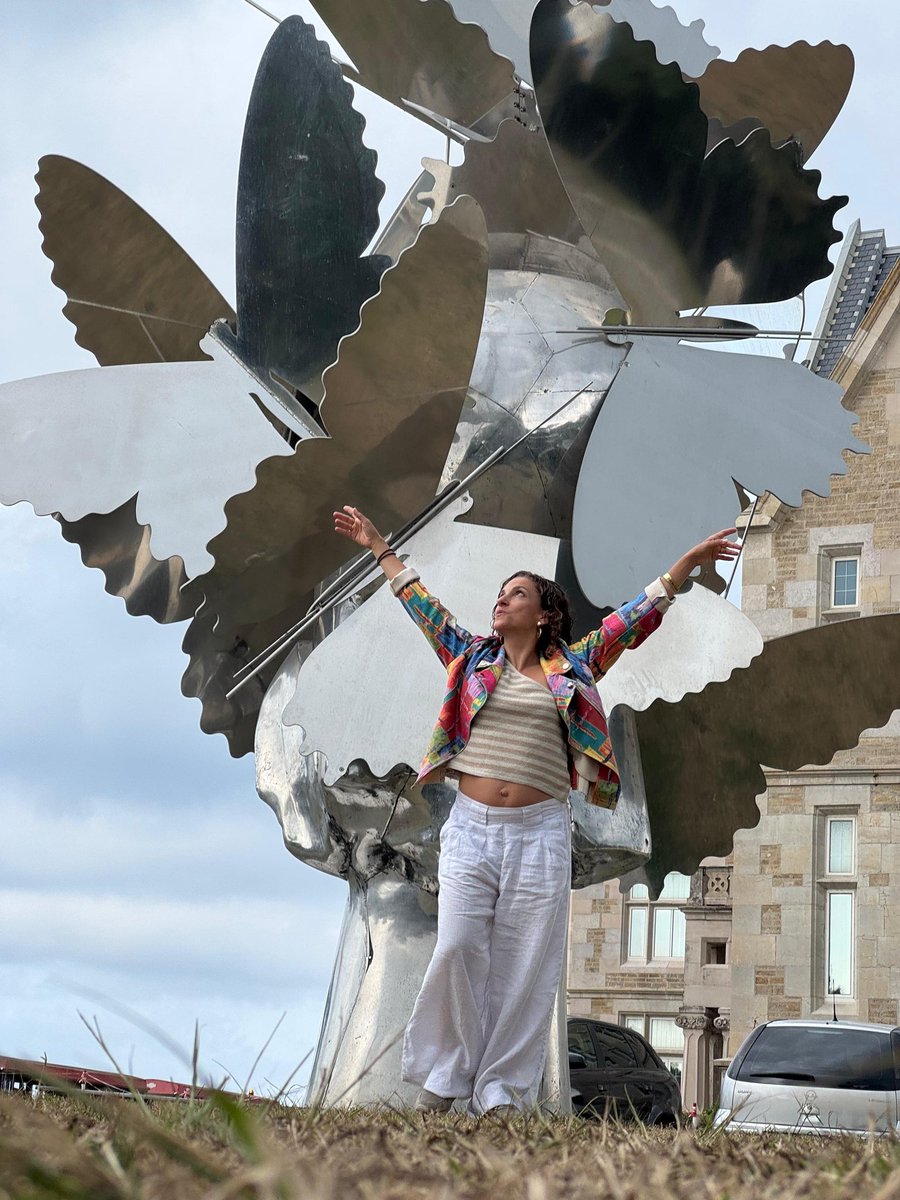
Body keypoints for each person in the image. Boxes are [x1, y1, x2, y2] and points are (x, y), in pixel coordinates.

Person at [333, 505, 739, 1115]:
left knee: (526, 966)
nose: (501, 601)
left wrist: (686, 565)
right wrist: (377, 545)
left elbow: (634, 618)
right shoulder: (470, 658)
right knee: (458, 948)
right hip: (470, 829)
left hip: (540, 832)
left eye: (515, 594)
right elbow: (420, 603)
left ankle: (500, 1090)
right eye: (500, 594)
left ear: (544, 613)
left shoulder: (573, 666)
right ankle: (445, 1078)